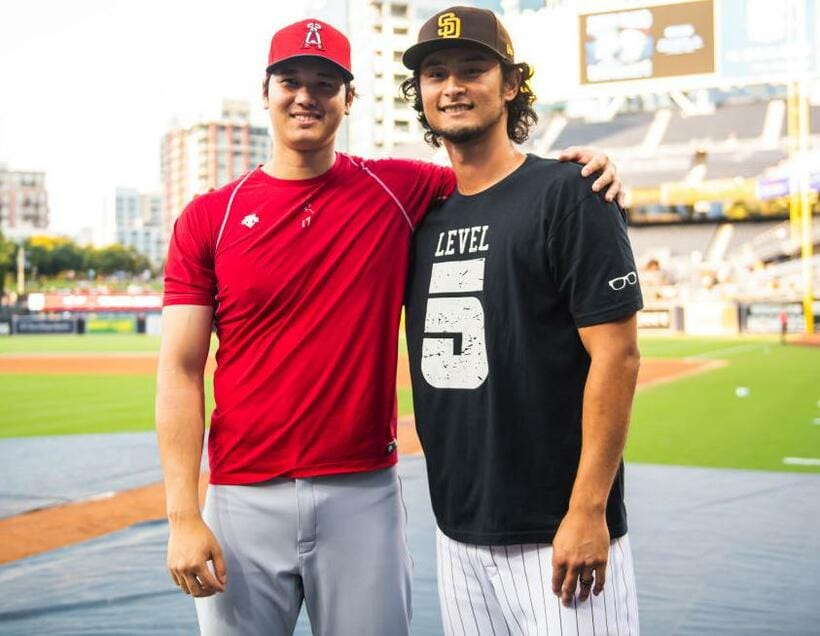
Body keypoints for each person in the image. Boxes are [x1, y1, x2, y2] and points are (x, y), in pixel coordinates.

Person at [155, 16, 623, 636]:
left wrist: (591, 172)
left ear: (350, 99)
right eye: (290, 81)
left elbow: (503, 180)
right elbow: (181, 370)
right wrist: (183, 515)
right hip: (242, 495)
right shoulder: (209, 217)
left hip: (361, 493)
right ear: (265, 92)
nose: (305, 97)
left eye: (325, 84)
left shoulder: (399, 188)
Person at [402, 6, 643, 635]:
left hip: (558, 531)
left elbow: (617, 355)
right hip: (457, 528)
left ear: (511, 85)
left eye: (473, 69)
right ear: (420, 93)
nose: (452, 86)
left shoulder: (569, 192)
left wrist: (588, 510)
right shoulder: (419, 216)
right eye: (435, 73)